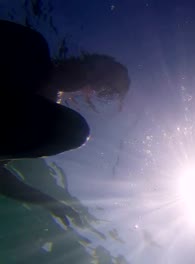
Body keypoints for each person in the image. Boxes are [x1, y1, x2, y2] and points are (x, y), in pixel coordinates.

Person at [0, 19, 130, 225]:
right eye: (95, 67)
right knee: (74, 131)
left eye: (102, 86)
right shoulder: (29, 45)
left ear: (90, 91)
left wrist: (45, 201)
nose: (89, 76)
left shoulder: (41, 118)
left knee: (75, 131)